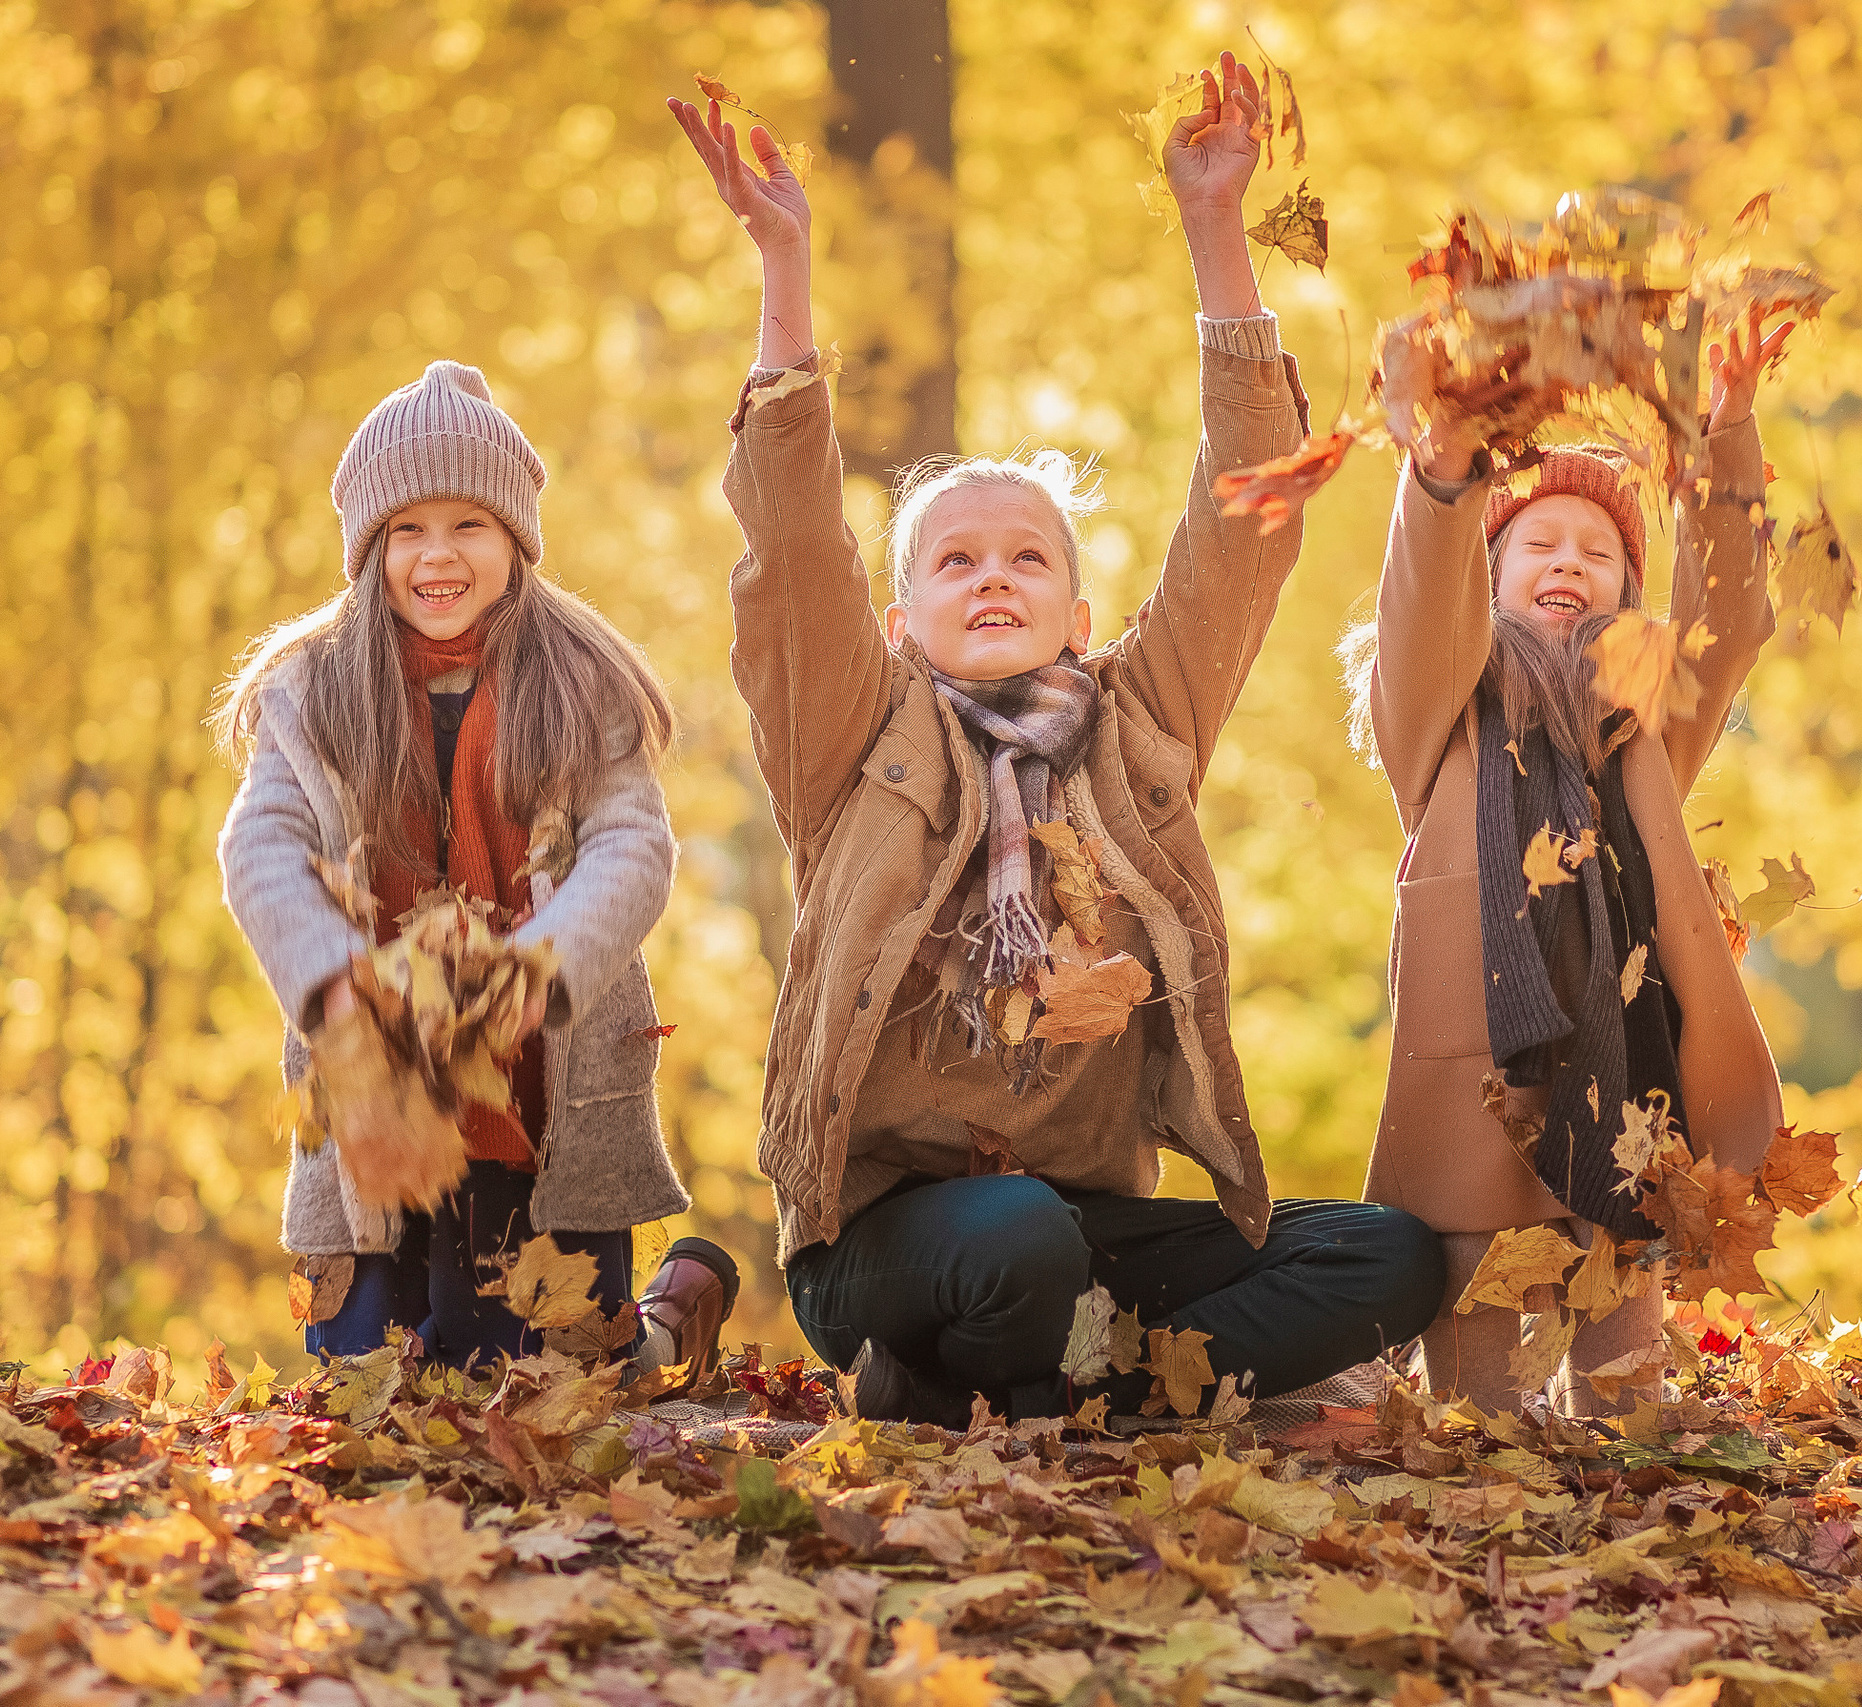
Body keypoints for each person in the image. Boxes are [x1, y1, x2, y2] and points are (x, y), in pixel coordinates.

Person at [671, 55, 1445, 1427]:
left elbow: (1243, 526)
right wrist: (784, 266)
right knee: (1015, 1238)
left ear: (1078, 611)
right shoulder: (853, 738)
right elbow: (792, 549)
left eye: (1025, 556)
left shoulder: (1133, 730)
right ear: (901, 621)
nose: (992, 575)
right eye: (954, 560)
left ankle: (1091, 1384)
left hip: (1085, 1232)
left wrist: (1217, 230)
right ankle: (1027, 1366)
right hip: (888, 1239)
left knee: (1383, 1253)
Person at [215, 360, 737, 1377]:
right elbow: (258, 845)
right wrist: (335, 985)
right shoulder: (315, 693)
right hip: (380, 1084)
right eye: (407, 529)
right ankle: (471, 1305)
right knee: (368, 1372)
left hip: (537, 1091)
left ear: (515, 541)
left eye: (469, 525)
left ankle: (669, 1321)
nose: (437, 556)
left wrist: (535, 967)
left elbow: (634, 848)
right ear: (370, 549)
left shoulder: (579, 683)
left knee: (544, 1382)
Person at [1350, 309, 1794, 1412]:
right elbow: (1419, 599)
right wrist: (1446, 469)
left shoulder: (1640, 720)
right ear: (1489, 575)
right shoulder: (1437, 711)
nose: (1569, 563)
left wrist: (1725, 430)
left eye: (1597, 553)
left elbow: (1730, 615)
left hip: (1623, 1096)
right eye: (1537, 545)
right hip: (1479, 1100)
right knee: (1474, 1423)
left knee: (1627, 1419)